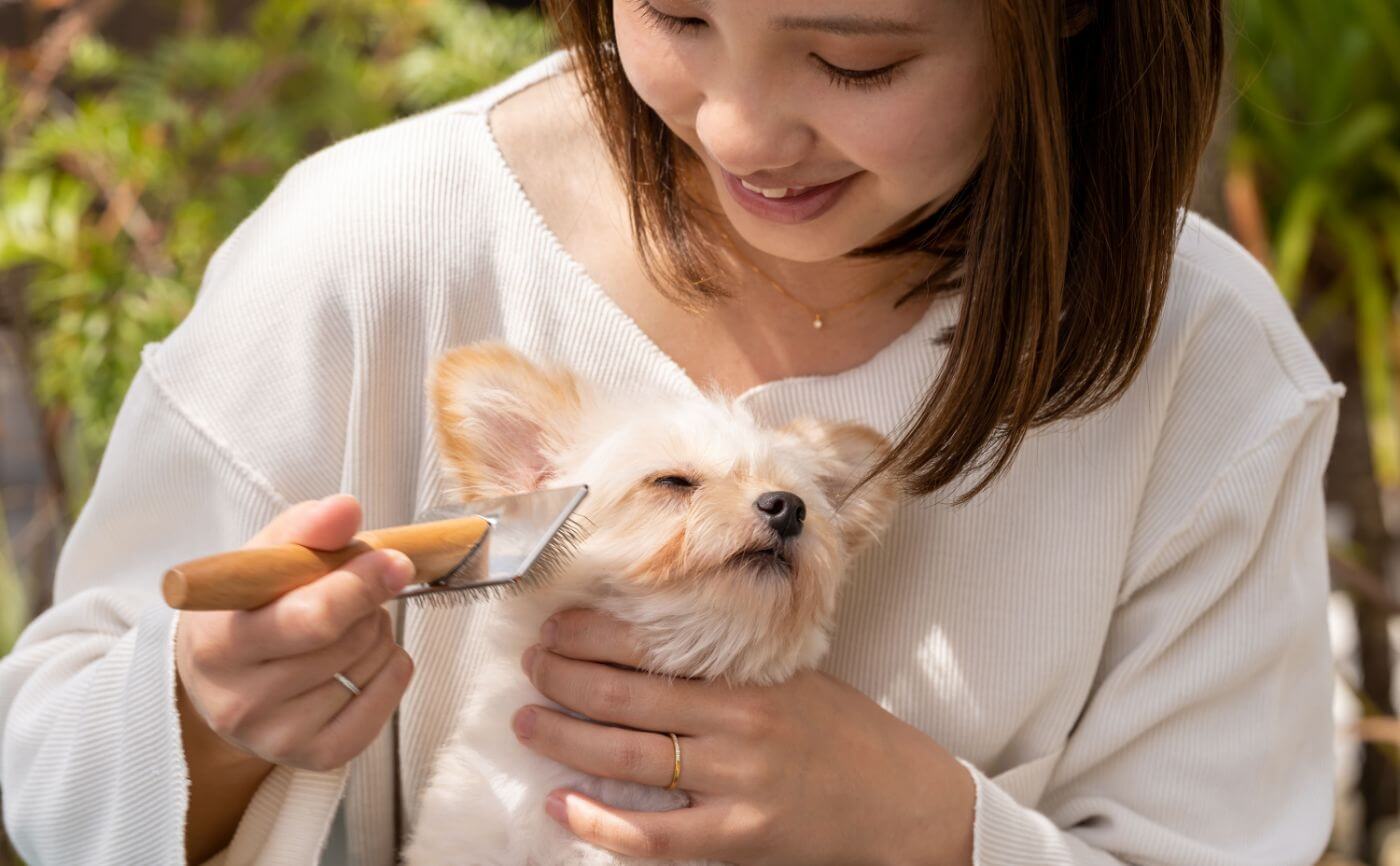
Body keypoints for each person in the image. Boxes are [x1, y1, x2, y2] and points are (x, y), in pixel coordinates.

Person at [0, 0, 1345, 863]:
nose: (740, 126)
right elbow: (50, 776)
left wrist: (933, 830)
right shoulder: (368, 251)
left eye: (854, 56)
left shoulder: (1208, 374)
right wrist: (210, 713)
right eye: (678, 16)